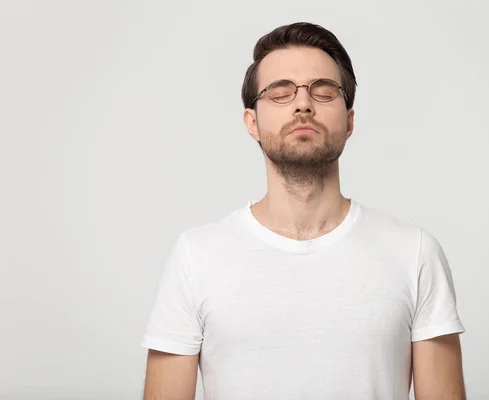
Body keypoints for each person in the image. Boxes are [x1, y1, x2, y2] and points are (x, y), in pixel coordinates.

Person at [141, 22, 466, 400]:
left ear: (349, 121)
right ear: (252, 123)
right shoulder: (196, 256)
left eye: (324, 91)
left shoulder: (414, 252)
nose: (303, 103)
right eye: (279, 92)